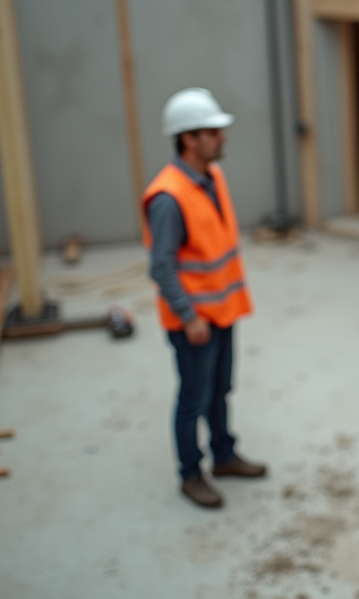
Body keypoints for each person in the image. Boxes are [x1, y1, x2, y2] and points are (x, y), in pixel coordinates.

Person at [143, 88, 267, 509]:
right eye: (213, 132)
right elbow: (162, 266)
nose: (222, 138)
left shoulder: (212, 179)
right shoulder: (168, 198)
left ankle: (225, 455)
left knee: (220, 388)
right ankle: (190, 473)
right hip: (194, 320)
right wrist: (188, 315)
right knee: (193, 398)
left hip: (222, 310)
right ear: (188, 139)